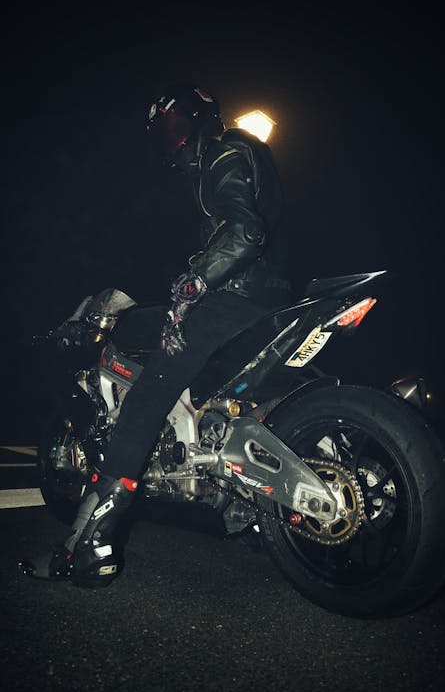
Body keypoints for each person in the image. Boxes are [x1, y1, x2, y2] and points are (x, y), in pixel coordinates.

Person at [20, 83, 291, 587]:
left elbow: (244, 233)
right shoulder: (241, 155)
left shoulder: (226, 151)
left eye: (175, 125)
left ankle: (86, 544)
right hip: (270, 297)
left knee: (147, 397)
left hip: (236, 298)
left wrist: (196, 280)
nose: (173, 140)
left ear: (198, 119)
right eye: (164, 132)